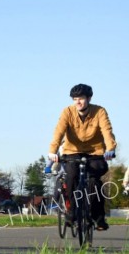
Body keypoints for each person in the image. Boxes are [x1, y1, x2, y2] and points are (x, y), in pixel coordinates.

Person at [48, 84, 117, 230]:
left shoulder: (99, 111)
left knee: (94, 182)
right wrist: (52, 151)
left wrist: (110, 149)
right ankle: (72, 212)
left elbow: (107, 131)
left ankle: (99, 218)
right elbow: (58, 132)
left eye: (81, 98)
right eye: (75, 99)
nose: (78, 102)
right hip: (72, 151)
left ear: (89, 98)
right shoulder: (67, 112)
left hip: (95, 153)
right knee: (71, 177)